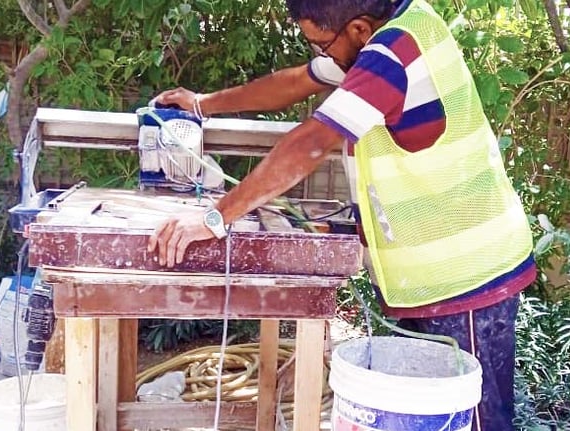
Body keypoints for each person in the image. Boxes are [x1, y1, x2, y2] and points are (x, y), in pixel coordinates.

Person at [147, 0, 536, 429]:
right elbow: (298, 81)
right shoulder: (402, 23)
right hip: (436, 275)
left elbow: (313, 141)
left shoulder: (390, 55)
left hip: (466, 274)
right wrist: (203, 104)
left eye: (321, 44)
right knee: (425, 414)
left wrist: (215, 218)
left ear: (358, 30)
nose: (321, 55)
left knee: (473, 418)